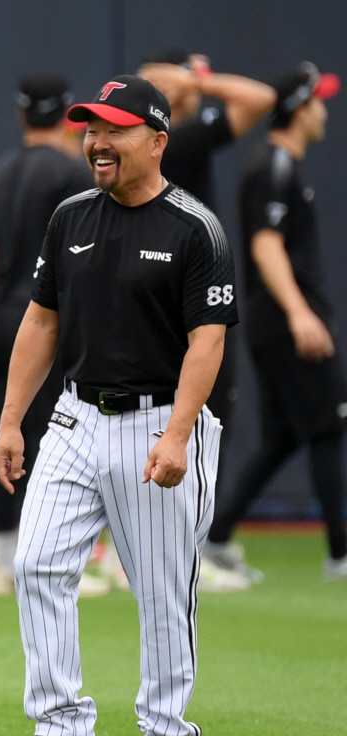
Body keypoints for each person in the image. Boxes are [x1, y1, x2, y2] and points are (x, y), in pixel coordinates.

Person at [0, 76, 236, 736]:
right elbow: (40, 321)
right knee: (35, 563)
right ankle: (62, 734)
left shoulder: (195, 228)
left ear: (157, 140)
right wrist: (11, 421)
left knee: (160, 588)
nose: (97, 141)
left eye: (114, 130)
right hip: (72, 416)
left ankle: (166, 735)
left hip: (158, 420)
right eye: (91, 129)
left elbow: (207, 342)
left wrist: (179, 433)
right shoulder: (70, 217)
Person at [138, 49, 276, 591]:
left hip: (169, 291)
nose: (200, 82)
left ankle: (174, 552)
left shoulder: (176, 140)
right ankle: (184, 555)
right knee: (199, 420)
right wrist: (189, 81)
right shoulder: (181, 135)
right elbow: (261, 98)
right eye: (190, 73)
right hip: (184, 298)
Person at [202, 63, 346, 582]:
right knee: (329, 426)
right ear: (300, 109)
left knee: (284, 436)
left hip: (273, 319)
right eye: (318, 100)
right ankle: (341, 555)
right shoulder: (275, 166)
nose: (324, 110)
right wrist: (301, 313)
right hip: (287, 321)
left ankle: (214, 538)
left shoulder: (280, 164)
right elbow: (266, 245)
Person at [0, 71, 108, 598]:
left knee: (4, 431)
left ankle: (2, 559)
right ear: (68, 111)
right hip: (54, 319)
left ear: (20, 113)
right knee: (56, 437)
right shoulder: (76, 174)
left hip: (5, 317)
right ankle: (51, 562)